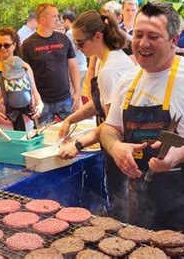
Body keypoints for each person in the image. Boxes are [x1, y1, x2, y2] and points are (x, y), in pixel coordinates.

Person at [99, 1, 184, 257]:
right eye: (138, 35)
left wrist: (180, 154)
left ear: (174, 40)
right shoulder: (127, 80)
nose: (142, 43)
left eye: (153, 36)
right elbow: (109, 128)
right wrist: (116, 146)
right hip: (138, 200)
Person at [58, 11, 135, 221]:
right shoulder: (104, 60)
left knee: (123, 208)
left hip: (124, 148)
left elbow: (113, 125)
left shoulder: (110, 70)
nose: (78, 49)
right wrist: (70, 119)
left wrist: (78, 144)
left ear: (98, 37)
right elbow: (99, 103)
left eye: (80, 43)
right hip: (116, 145)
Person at [21, 3, 81, 125]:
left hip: (65, 98)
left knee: (71, 135)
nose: (58, 19)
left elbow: (74, 67)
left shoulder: (63, 39)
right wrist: (34, 97)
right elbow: (25, 74)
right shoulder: (28, 44)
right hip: (43, 102)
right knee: (46, 139)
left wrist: (77, 92)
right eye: (54, 16)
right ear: (43, 19)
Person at [0, 27, 43, 131]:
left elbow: (34, 91)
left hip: (26, 122)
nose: (2, 48)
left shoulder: (25, 67)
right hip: (1, 125)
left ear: (14, 45)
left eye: (6, 45)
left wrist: (40, 104)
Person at [62, 10, 88, 98]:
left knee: (73, 96)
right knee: (79, 95)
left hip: (76, 68)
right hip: (83, 66)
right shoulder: (80, 30)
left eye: (63, 22)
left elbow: (69, 51)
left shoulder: (70, 33)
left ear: (67, 21)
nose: (63, 24)